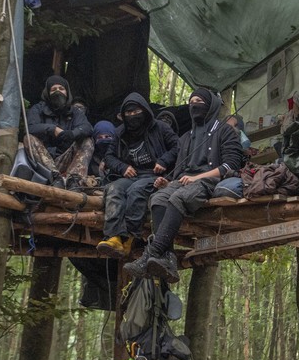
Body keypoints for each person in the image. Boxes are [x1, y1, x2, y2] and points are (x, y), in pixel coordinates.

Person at [124, 88, 242, 282]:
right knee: (158, 197)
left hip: (209, 181)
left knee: (179, 197)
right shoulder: (186, 137)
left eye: (199, 101)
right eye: (192, 101)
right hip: (184, 181)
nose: (194, 105)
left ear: (210, 106)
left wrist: (198, 178)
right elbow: (180, 171)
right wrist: (167, 181)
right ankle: (167, 257)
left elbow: (231, 165)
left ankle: (149, 255)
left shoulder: (224, 130)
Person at [97, 93, 178, 258]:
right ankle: (113, 236)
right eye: (129, 113)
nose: (133, 116)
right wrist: (122, 167)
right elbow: (109, 157)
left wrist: (163, 160)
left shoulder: (160, 127)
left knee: (137, 190)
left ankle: (128, 237)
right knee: (114, 188)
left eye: (136, 111)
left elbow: (178, 146)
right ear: (124, 115)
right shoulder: (120, 133)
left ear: (145, 110)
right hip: (130, 175)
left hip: (154, 175)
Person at [24, 75, 94, 190]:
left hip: (67, 159)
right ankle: (55, 178)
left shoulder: (75, 111)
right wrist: (52, 129)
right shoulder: (38, 109)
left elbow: (87, 127)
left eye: (61, 89)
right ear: (47, 93)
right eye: (53, 89)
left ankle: (74, 180)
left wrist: (72, 134)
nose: (58, 92)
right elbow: (30, 127)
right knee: (28, 138)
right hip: (45, 161)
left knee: (87, 141)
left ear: (67, 92)